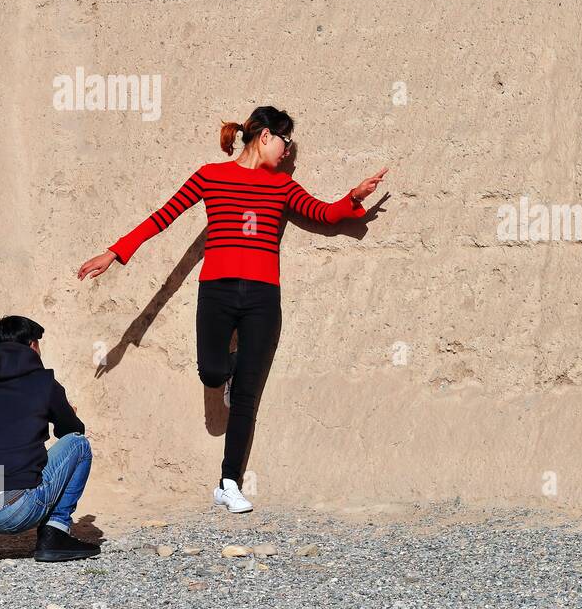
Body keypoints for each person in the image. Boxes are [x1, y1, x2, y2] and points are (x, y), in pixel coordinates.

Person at [77, 105, 386, 512]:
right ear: (265, 137)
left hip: (262, 297)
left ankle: (228, 483)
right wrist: (115, 252)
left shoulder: (283, 186)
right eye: (285, 142)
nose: (287, 152)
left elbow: (324, 214)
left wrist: (354, 198)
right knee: (212, 370)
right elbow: (163, 217)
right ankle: (228, 373)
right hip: (217, 291)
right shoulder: (211, 176)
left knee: (246, 397)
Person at [0, 316, 100, 563]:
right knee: (79, 445)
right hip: (16, 512)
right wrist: (68, 414)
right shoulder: (44, 383)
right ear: (32, 346)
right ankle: (55, 534)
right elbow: (71, 431)